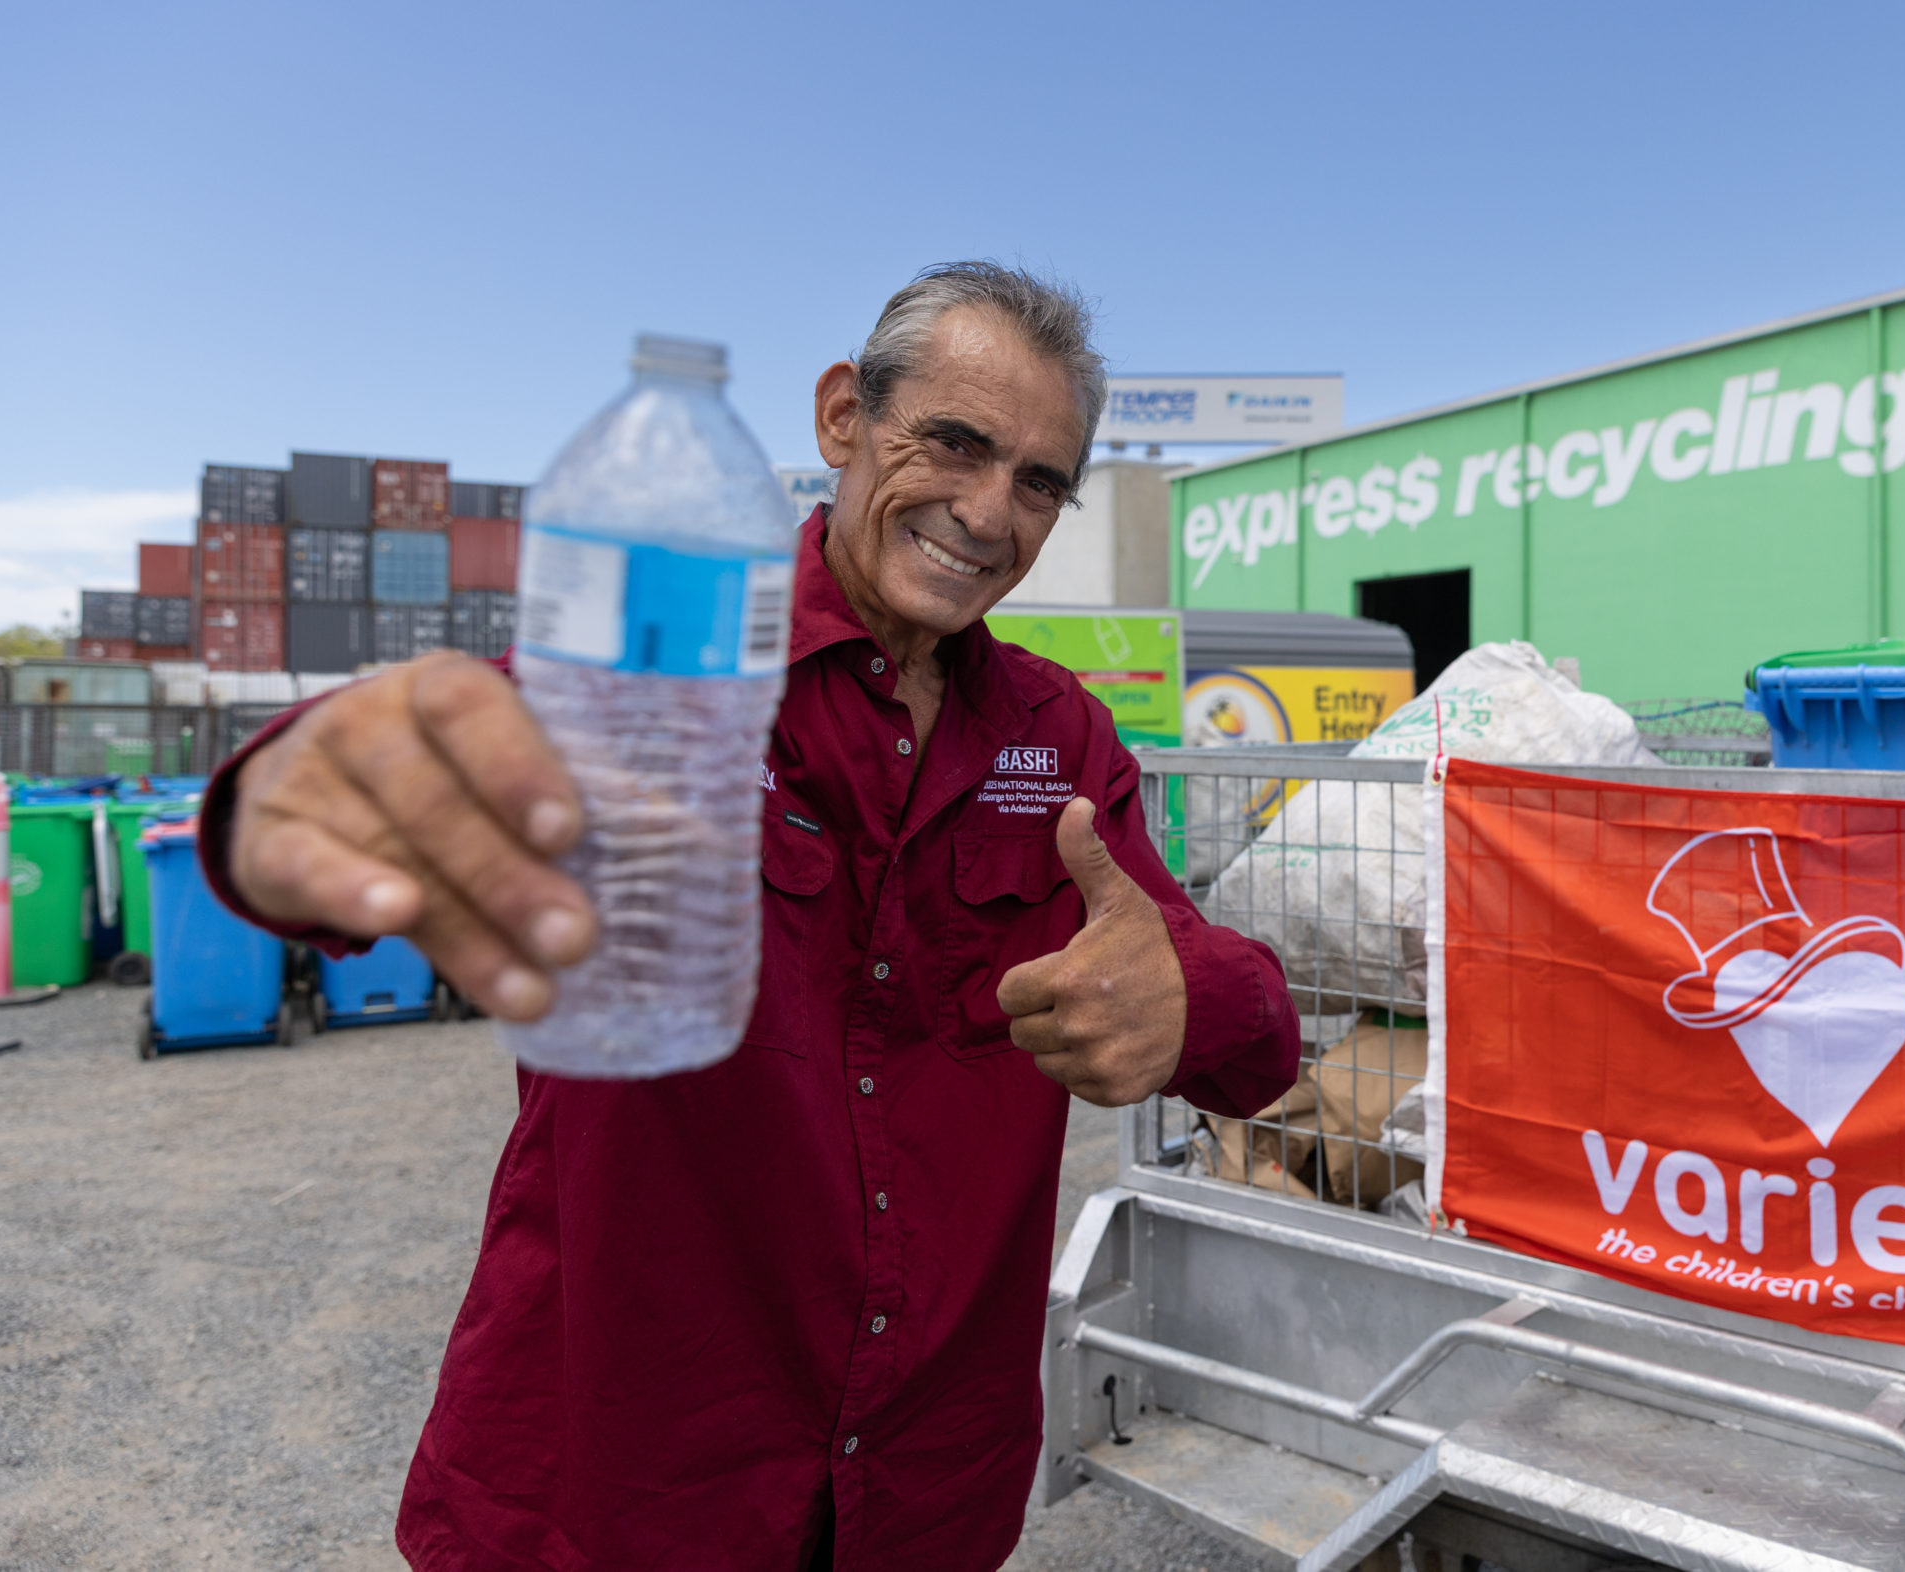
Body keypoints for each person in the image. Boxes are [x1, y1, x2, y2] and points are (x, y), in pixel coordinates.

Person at [201, 263, 1301, 1569]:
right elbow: (380, 787)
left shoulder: (1060, 743)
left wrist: (1198, 995)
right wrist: (302, 799)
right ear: (844, 418)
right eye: (954, 443)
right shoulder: (662, 671)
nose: (990, 510)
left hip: (922, 1497)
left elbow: (1259, 1049)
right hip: (627, 1491)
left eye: (1040, 480)